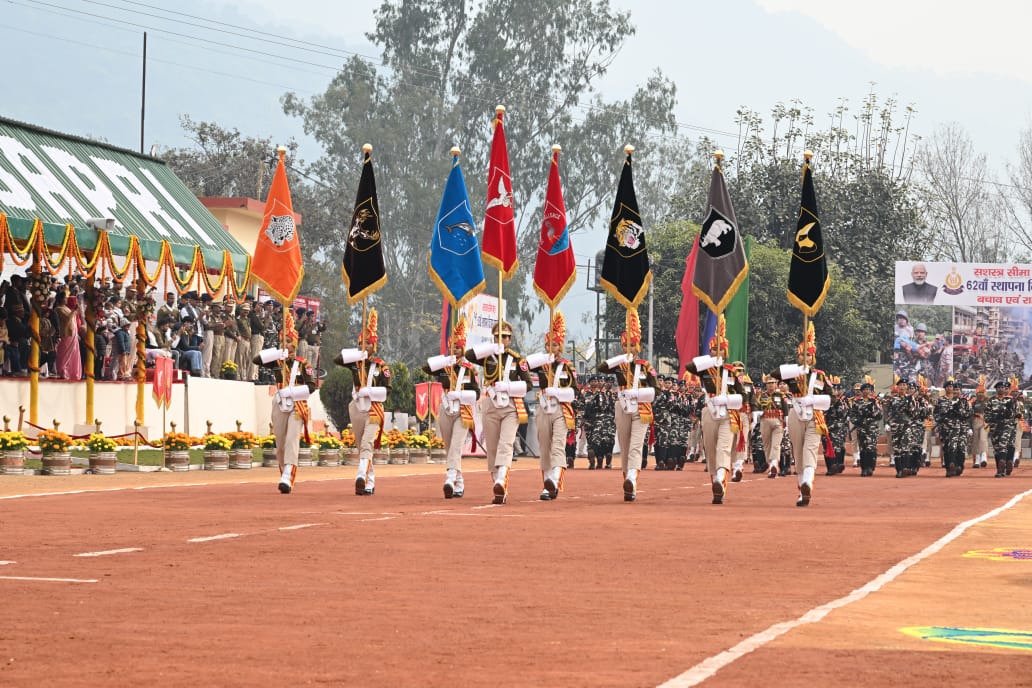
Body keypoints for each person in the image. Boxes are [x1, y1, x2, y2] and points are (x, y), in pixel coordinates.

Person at [465, 320, 533, 505]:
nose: (501, 339)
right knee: (493, 447)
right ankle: (497, 485)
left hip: (510, 405)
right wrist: (491, 348)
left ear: (510, 339)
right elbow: (469, 355)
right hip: (491, 403)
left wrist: (509, 387)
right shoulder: (487, 356)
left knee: (506, 443)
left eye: (505, 337)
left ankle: (502, 479)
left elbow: (528, 384)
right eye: (497, 337)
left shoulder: (518, 360)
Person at [683, 314, 745, 504]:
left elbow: (742, 396)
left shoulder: (732, 372)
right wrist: (711, 361)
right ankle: (716, 483)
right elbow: (689, 366)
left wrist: (726, 399)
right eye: (714, 349)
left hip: (728, 414)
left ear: (726, 352)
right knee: (710, 449)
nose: (717, 352)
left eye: (720, 349)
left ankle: (720, 479)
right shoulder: (705, 369)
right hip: (709, 411)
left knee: (723, 448)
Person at [254, 309, 316, 494]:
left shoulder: (303, 363)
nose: (286, 345)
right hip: (280, 403)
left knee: (291, 440)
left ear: (295, 343)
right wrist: (275, 353)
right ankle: (284, 472)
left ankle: (288, 475)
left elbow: (311, 386)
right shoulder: (277, 361)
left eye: (288, 341)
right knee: (280, 443)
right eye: (283, 341)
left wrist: (292, 391)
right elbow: (256, 359)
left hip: (297, 404)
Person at [599, 309, 658, 502]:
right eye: (626, 345)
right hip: (623, 407)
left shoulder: (646, 366)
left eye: (632, 345)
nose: (629, 348)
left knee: (635, 445)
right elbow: (602, 367)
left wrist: (638, 394)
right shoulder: (620, 365)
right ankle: (628, 482)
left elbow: (656, 390)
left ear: (638, 345)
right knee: (624, 447)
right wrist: (621, 358)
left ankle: (632, 477)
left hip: (642, 409)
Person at [770, 322, 830, 507]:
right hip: (796, 414)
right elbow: (774, 374)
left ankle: (807, 483)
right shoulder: (792, 374)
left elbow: (832, 397)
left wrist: (812, 400)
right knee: (798, 452)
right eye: (802, 355)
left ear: (813, 357)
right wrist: (797, 370)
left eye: (808, 355)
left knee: (810, 450)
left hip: (815, 416)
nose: (805, 358)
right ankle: (802, 490)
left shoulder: (820, 376)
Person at [336, 308, 391, 496]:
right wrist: (356, 355)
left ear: (374, 345)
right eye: (361, 343)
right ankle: (370, 480)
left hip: (374, 409)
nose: (364, 346)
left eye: (368, 343)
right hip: (356, 407)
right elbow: (337, 359)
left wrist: (369, 391)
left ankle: (361, 475)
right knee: (361, 446)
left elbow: (387, 390)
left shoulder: (381, 366)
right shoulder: (355, 362)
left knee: (367, 443)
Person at [423, 314, 479, 499]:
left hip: (463, 411)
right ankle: (459, 482)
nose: (455, 350)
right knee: (449, 447)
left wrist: (460, 395)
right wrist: (443, 361)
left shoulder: (470, 369)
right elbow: (425, 368)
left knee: (456, 445)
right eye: (453, 346)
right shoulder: (444, 367)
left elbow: (476, 394)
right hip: (446, 409)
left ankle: (449, 478)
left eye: (458, 347)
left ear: (463, 348)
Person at [527, 310, 580, 501]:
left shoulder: (567, 367)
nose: (551, 348)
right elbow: (524, 365)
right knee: (545, 447)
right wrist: (543, 358)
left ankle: (555, 479)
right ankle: (547, 483)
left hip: (561, 409)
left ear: (561, 346)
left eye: (554, 345)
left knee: (558, 445)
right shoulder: (541, 364)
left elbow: (575, 392)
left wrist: (556, 392)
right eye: (548, 344)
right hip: (543, 408)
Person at [934, 378, 972, 477]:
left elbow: (968, 414)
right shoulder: (941, 400)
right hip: (946, 428)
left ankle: (959, 465)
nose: (954, 390)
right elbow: (936, 414)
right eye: (952, 388)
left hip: (961, 428)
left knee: (960, 448)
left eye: (956, 389)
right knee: (948, 448)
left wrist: (959, 410)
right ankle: (949, 467)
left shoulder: (963, 401)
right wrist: (941, 420)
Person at [985, 379, 1019, 477]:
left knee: (1003, 445)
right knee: (996, 448)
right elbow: (986, 415)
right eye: (999, 388)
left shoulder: (1011, 400)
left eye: (1002, 387)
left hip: (1007, 426)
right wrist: (993, 418)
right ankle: (1000, 469)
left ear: (1005, 389)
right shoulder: (991, 400)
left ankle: (1004, 465)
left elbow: (1017, 414)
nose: (1000, 389)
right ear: (996, 389)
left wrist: (1008, 411)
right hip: (995, 427)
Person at [756, 376, 789, 476]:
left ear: (776, 384)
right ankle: (770, 464)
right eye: (769, 383)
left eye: (773, 383)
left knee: (776, 444)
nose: (771, 385)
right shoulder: (762, 396)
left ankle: (774, 463)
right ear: (766, 385)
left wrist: (786, 424)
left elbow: (785, 410)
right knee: (766, 444)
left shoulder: (781, 395)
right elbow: (757, 407)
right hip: (765, 420)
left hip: (777, 421)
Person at [850, 381, 882, 476]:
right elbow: (853, 415)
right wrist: (858, 421)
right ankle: (864, 468)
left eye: (868, 389)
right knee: (863, 448)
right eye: (864, 389)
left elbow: (879, 415)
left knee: (871, 448)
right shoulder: (857, 402)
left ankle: (870, 467)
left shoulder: (875, 402)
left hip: (872, 428)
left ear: (871, 391)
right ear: (862, 391)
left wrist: (873, 409)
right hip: (861, 428)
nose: (866, 391)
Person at [54, 291, 83, 380]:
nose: (66, 299)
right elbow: (68, 318)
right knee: (65, 352)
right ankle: (63, 371)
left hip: (73, 332)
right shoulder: (58, 309)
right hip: (66, 333)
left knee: (73, 352)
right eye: (65, 298)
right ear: (61, 299)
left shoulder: (66, 308)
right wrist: (74, 310)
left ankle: (72, 372)